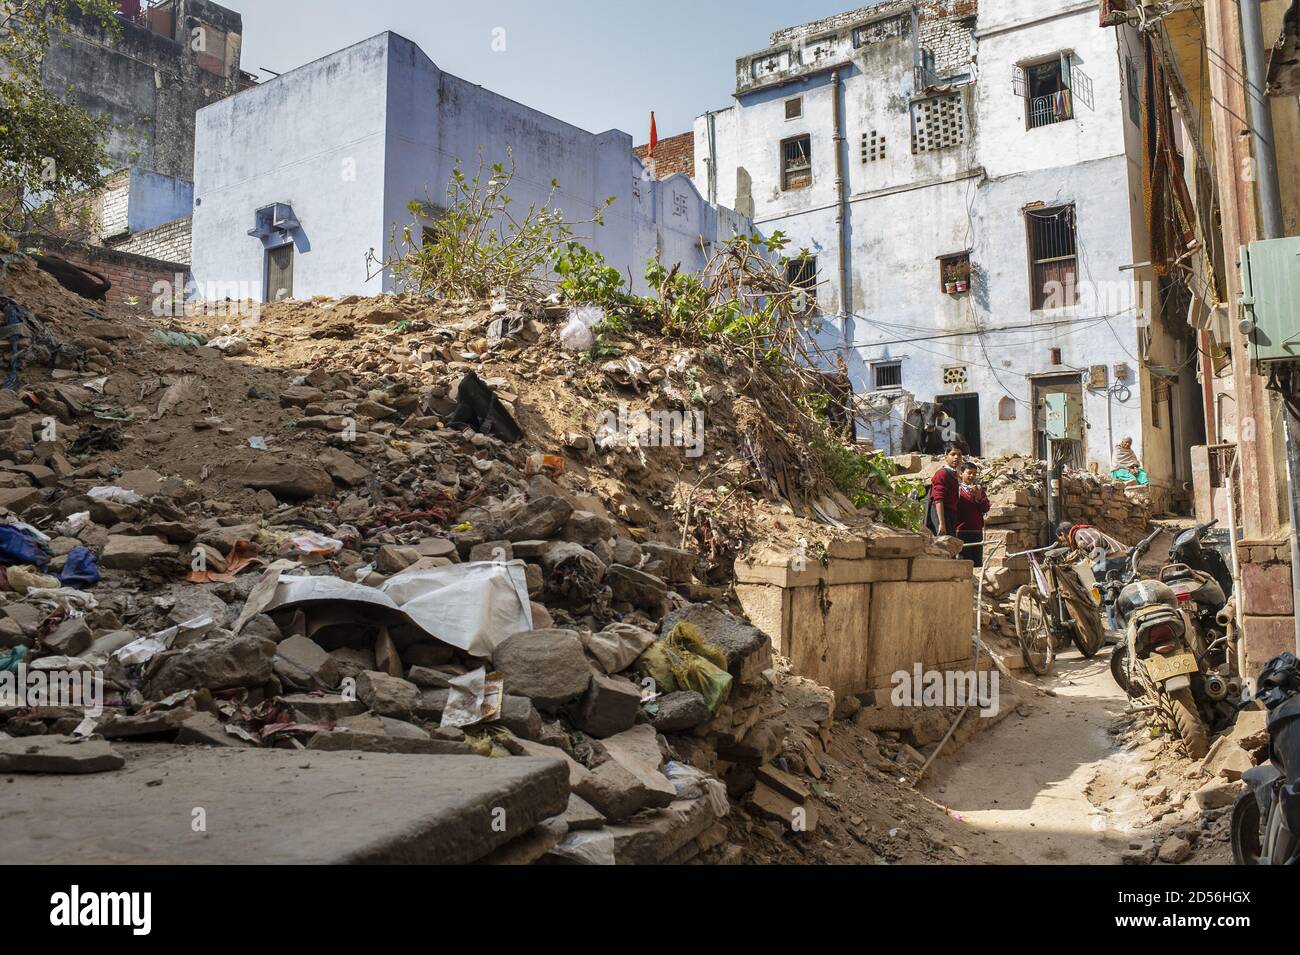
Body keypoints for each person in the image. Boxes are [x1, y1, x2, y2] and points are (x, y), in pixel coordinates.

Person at [954, 462, 990, 567]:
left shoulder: (978, 490)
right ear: (961, 474)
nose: (972, 476)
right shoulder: (957, 490)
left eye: (974, 474)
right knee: (965, 562)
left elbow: (985, 508)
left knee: (977, 562)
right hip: (962, 531)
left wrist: (979, 498)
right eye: (969, 473)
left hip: (977, 531)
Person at [927, 444, 965, 537]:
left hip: (950, 514)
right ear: (946, 456)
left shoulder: (954, 474)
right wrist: (942, 524)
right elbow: (938, 499)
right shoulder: (942, 474)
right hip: (941, 513)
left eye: (959, 455)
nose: (956, 457)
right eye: (953, 454)